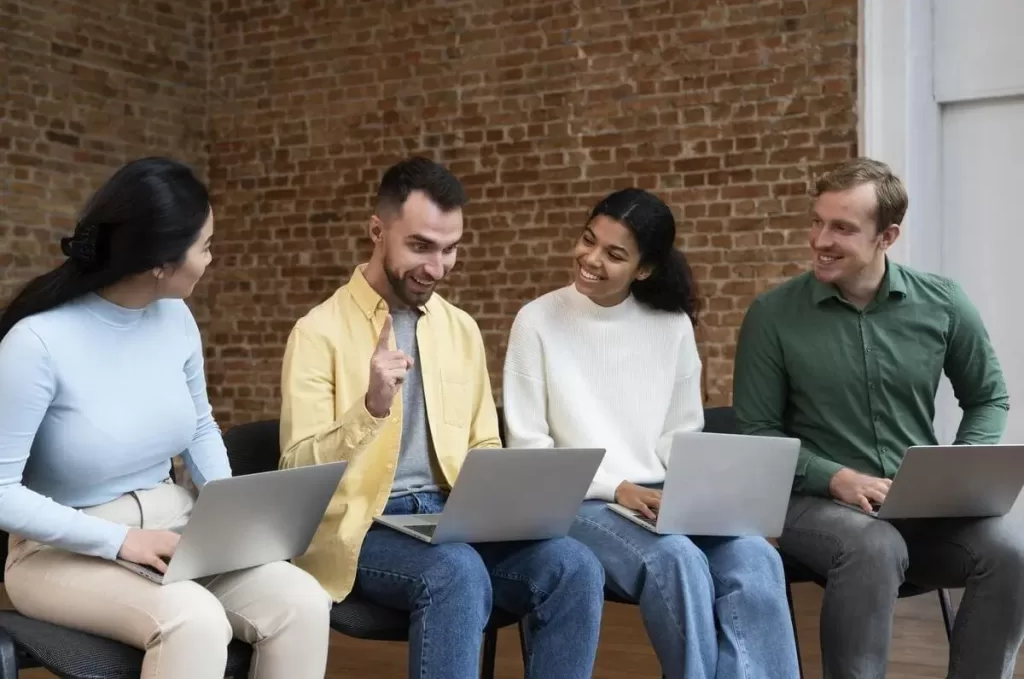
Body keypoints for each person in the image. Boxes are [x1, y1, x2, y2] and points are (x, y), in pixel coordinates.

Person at [0, 157, 332, 679]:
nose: (210, 259)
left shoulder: (176, 317)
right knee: (193, 621)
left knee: (302, 601)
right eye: (205, 246)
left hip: (175, 526)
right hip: (57, 550)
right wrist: (119, 541)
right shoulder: (36, 344)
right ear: (160, 262)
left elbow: (200, 424)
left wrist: (229, 513)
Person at [278, 156, 605, 679]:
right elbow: (297, 470)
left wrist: (503, 500)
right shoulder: (317, 332)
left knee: (575, 565)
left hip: (452, 519)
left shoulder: (460, 329)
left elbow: (483, 445)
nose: (437, 267)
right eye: (420, 246)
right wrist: (369, 409)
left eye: (450, 249)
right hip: (362, 529)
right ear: (377, 231)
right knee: (456, 571)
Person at [733, 156, 1024, 679]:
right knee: (874, 544)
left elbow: (988, 397)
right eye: (817, 221)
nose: (821, 240)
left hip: (915, 507)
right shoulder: (773, 315)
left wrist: (957, 474)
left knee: (1012, 550)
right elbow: (758, 433)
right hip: (809, 503)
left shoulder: (943, 303)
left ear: (887, 236)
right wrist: (835, 478)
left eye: (842, 228)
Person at [502, 187, 801, 679]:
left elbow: (679, 433)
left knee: (756, 556)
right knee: (677, 558)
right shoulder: (536, 321)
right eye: (588, 240)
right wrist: (616, 487)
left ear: (644, 269)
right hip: (579, 502)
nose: (590, 259)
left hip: (658, 498)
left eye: (614, 254)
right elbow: (531, 449)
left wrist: (701, 494)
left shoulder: (672, 324)